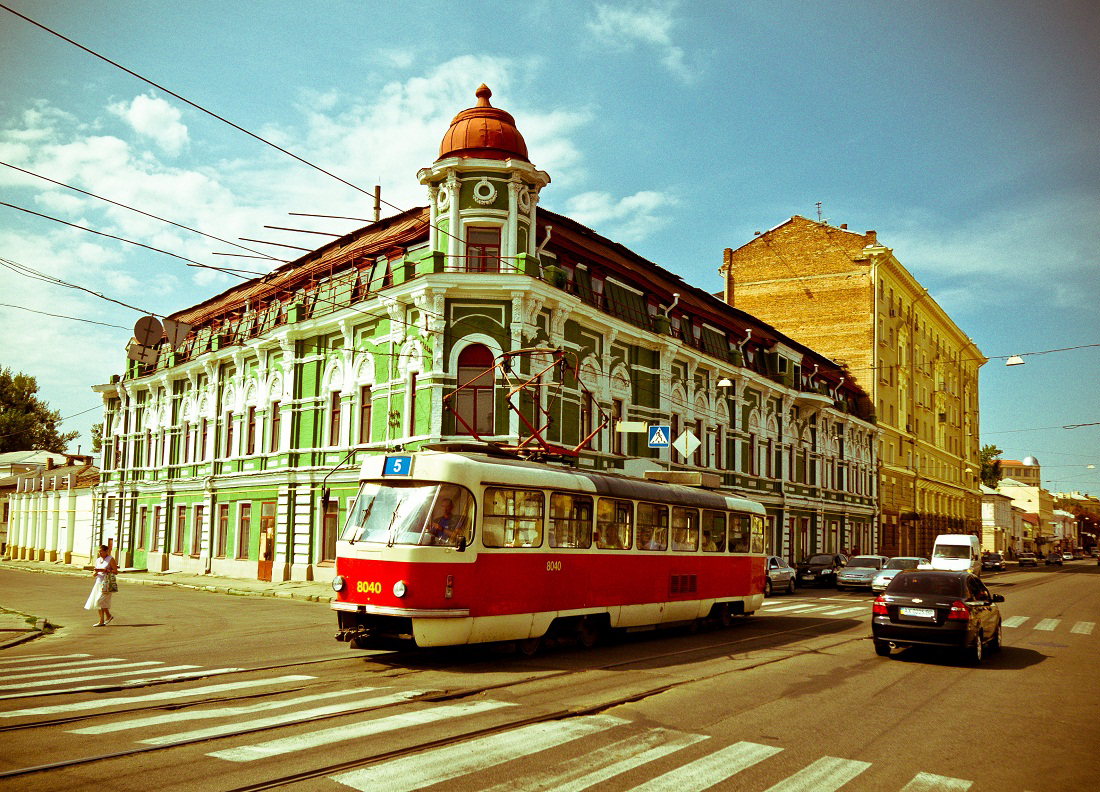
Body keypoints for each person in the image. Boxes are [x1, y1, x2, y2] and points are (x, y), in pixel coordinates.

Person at [84, 544, 117, 626]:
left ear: (106, 551)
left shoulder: (110, 559)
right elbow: (95, 572)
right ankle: (103, 620)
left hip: (107, 583)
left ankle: (107, 617)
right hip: (98, 582)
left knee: (99, 601)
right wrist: (95, 572)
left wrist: (105, 570)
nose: (100, 553)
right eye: (99, 552)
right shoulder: (98, 560)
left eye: (101, 551)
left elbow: (115, 571)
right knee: (101, 602)